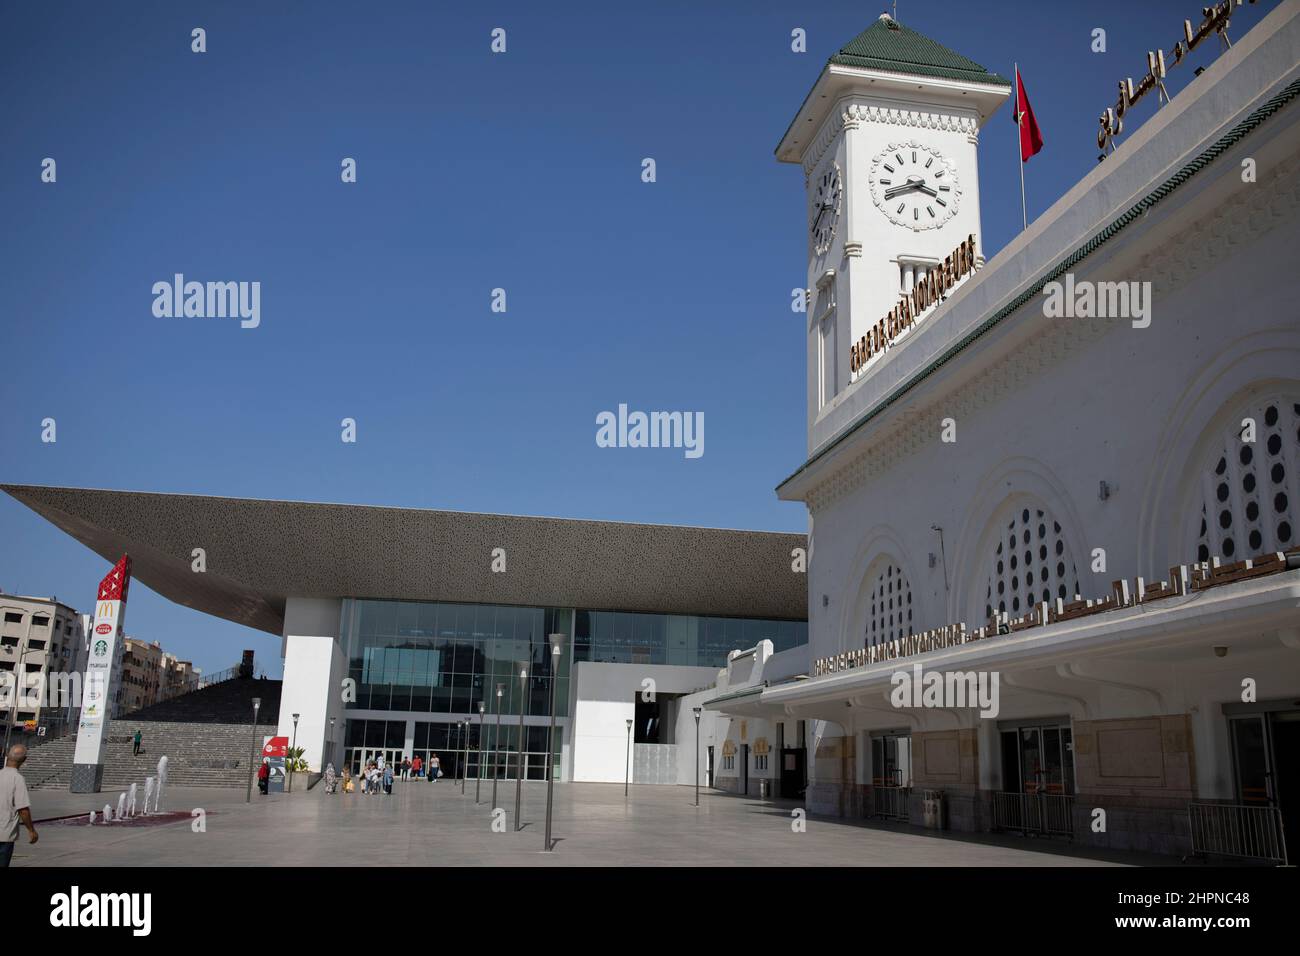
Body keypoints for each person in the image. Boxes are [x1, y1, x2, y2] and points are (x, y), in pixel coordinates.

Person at [1, 745, 38, 867]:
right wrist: (31, 830)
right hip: (4, 834)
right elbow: (23, 810)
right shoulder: (17, 779)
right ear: (24, 759)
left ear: (6, 755)